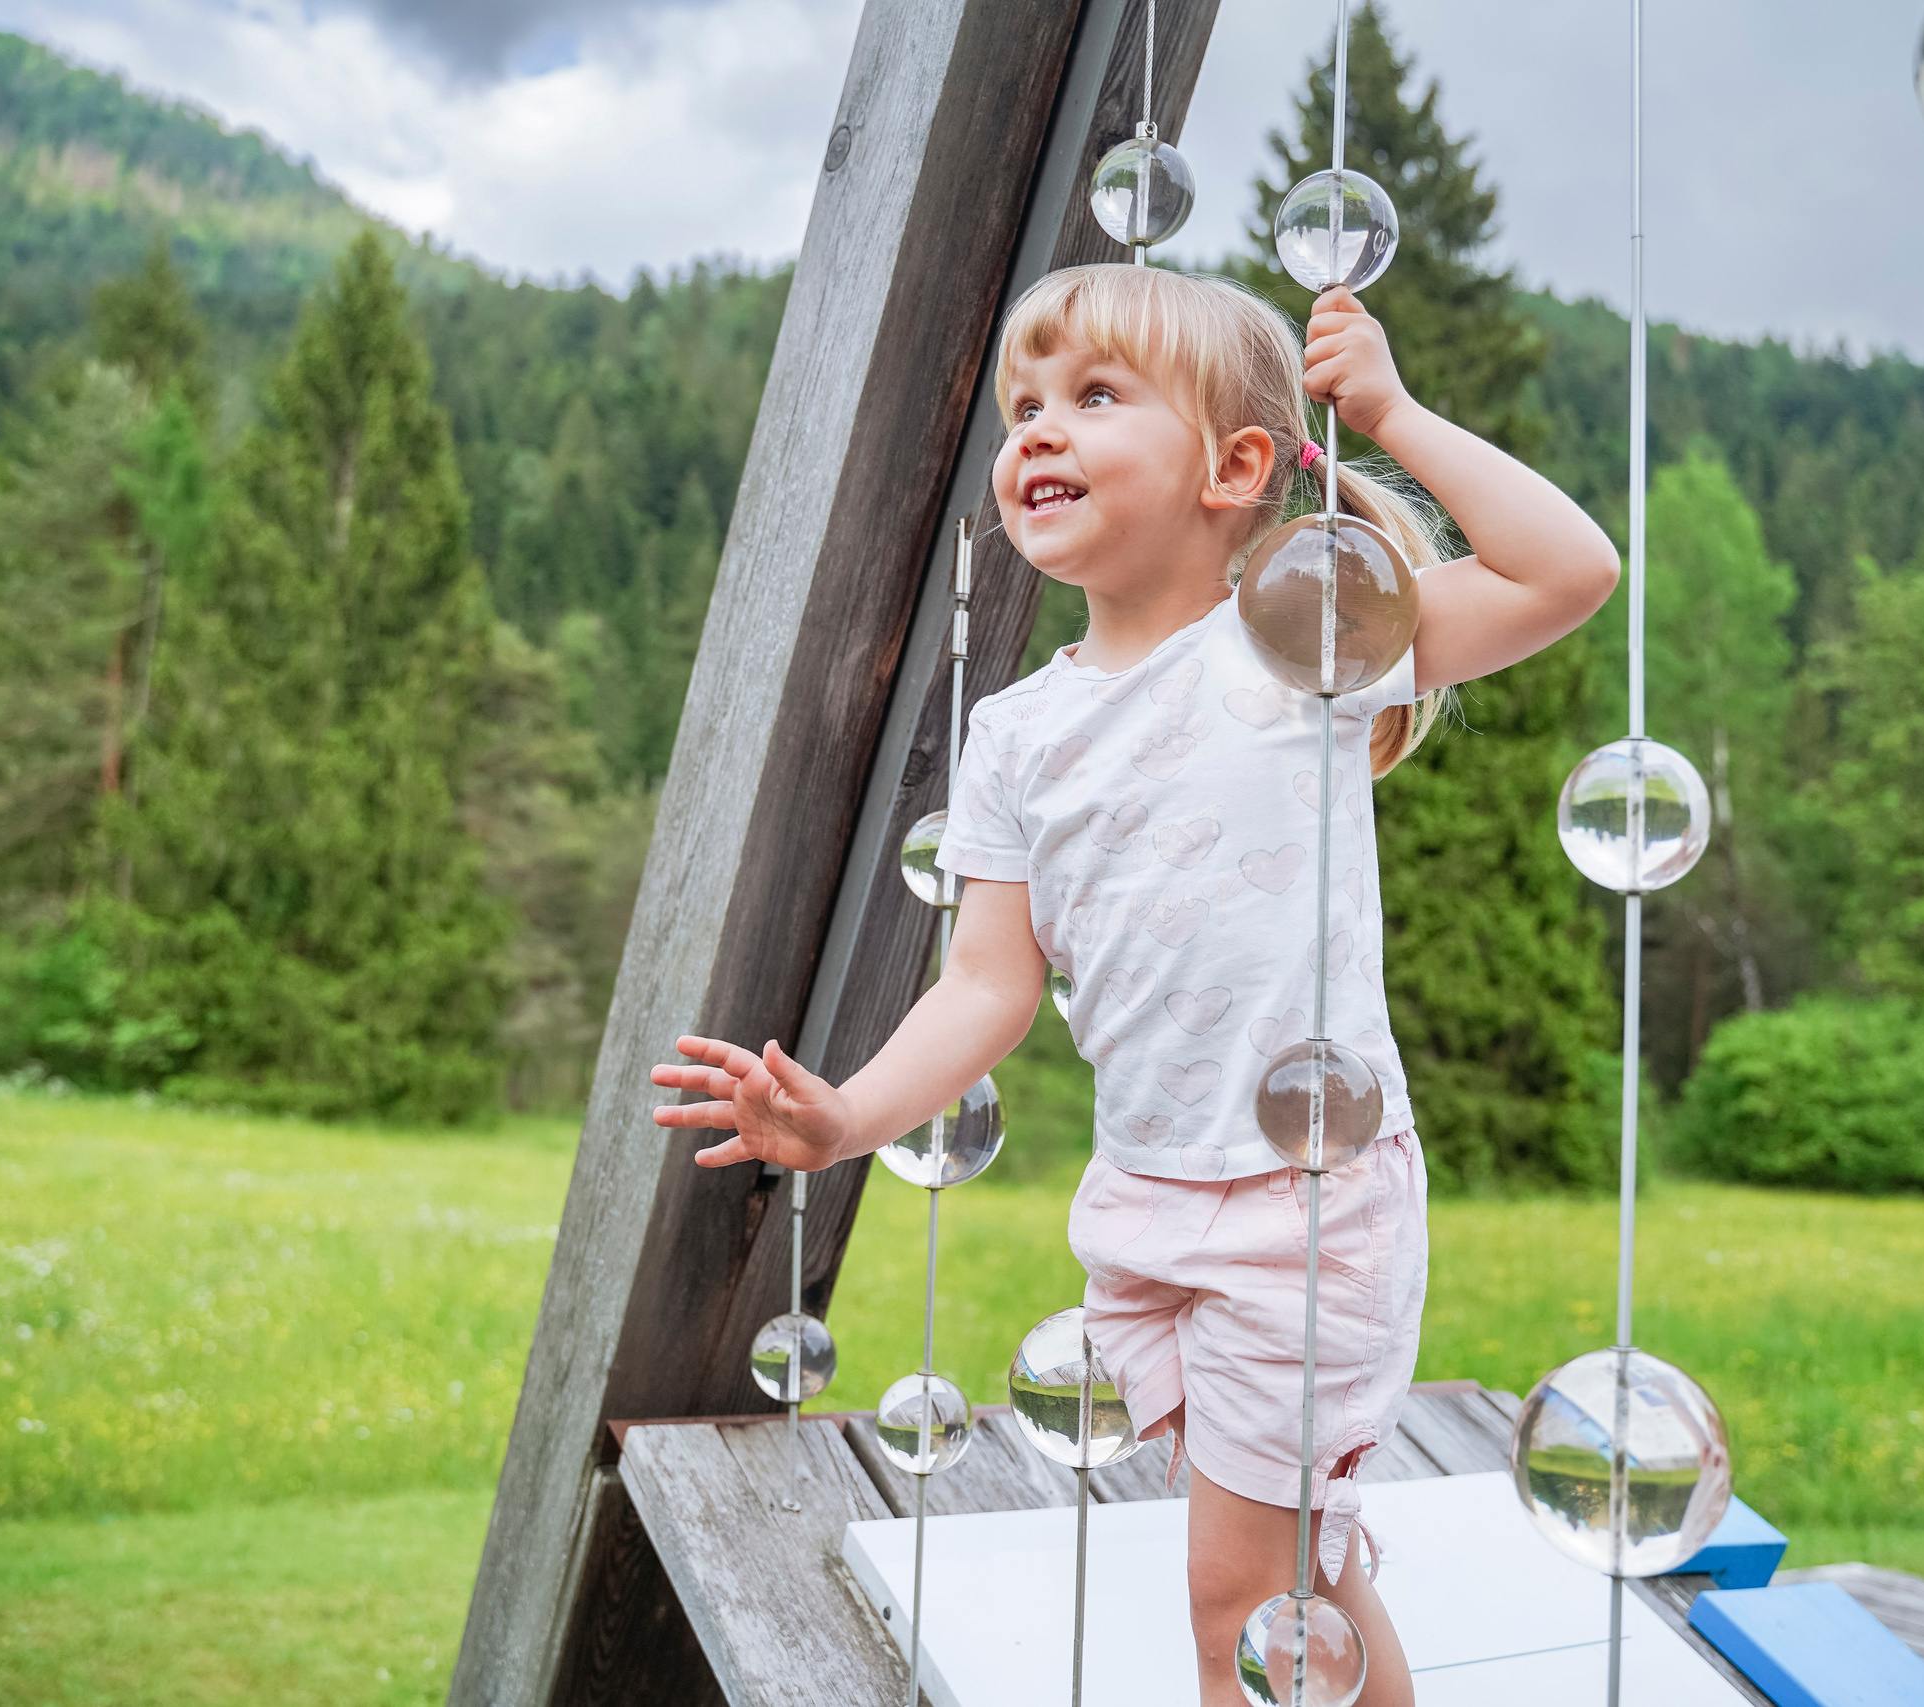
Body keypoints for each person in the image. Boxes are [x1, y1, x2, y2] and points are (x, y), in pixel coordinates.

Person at [651, 262, 1616, 1706]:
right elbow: (986, 987)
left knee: (1240, 1597)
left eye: (1095, 396)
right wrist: (844, 1118)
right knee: (1296, 1584)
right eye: (1024, 407)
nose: (1037, 430)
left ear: (1236, 469)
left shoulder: (1304, 640)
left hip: (1304, 1203)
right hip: (1146, 1206)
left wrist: (1393, 414)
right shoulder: (1017, 735)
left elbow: (1567, 574)